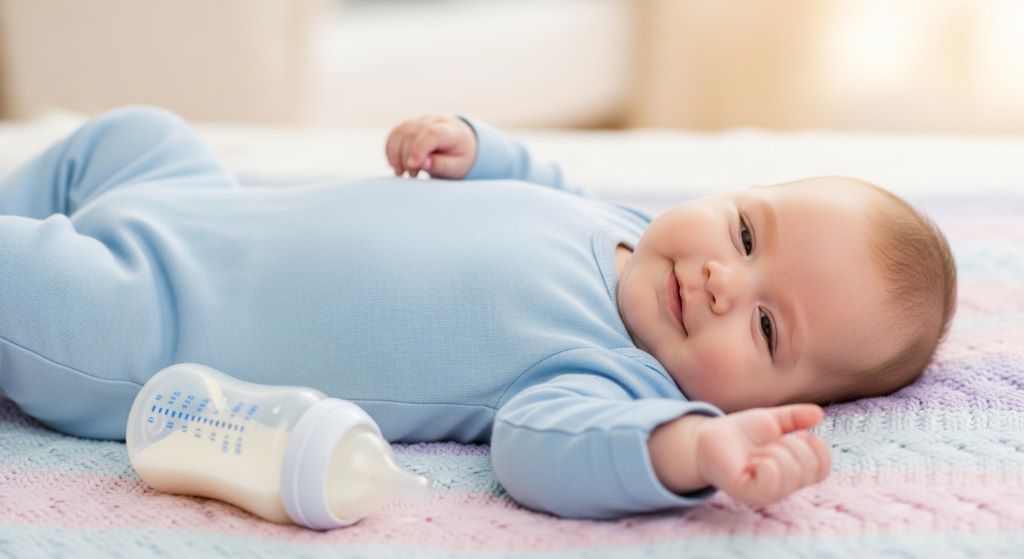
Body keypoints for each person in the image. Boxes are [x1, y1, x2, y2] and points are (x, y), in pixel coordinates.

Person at [0, 106, 956, 519]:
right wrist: (476, 147)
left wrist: (691, 451)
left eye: (767, 328)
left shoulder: (610, 380)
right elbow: (539, 190)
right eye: (746, 233)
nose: (722, 281)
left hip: (143, 325)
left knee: (25, 274)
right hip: (200, 206)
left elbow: (548, 453)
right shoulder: (624, 226)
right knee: (138, 134)